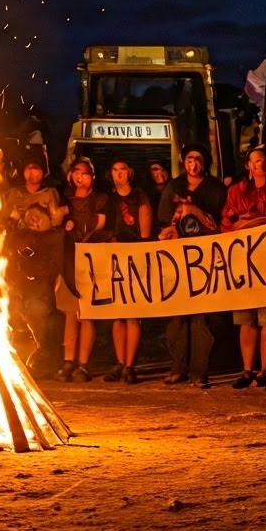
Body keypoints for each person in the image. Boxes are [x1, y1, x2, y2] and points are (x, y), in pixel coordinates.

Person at [221, 146, 266, 390]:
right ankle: (247, 369)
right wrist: (240, 226)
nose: (258, 165)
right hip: (243, 262)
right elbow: (226, 222)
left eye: (262, 161)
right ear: (248, 166)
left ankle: (265, 370)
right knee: (246, 320)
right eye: (253, 161)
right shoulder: (236, 191)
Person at [159, 144, 228, 388]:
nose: (193, 164)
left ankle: (199, 372)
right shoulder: (174, 187)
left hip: (204, 261)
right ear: (184, 162)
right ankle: (178, 367)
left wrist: (194, 209)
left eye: (198, 159)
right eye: (189, 159)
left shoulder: (216, 189)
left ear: (204, 162)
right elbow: (164, 220)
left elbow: (221, 224)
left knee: (200, 319)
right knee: (177, 317)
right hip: (177, 261)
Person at [2, 147, 67, 378]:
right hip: (16, 262)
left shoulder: (50, 194)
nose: (33, 175)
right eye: (29, 169)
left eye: (37, 169)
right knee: (14, 311)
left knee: (40, 310)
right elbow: (3, 224)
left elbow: (56, 226)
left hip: (42, 262)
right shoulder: (13, 195)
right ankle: (15, 358)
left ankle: (45, 359)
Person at [55, 157, 109, 383]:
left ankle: (83, 364)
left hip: (92, 262)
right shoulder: (64, 200)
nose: (80, 176)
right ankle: (68, 361)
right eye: (76, 172)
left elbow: (101, 224)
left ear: (92, 177)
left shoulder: (100, 199)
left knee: (87, 314)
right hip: (67, 261)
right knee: (70, 313)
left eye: (85, 173)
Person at [103, 157, 152, 384]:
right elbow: (105, 227)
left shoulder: (139, 196)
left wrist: (139, 255)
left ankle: (130, 365)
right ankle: (120, 362)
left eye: (123, 169)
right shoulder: (109, 198)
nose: (119, 173)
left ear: (130, 172)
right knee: (117, 315)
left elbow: (145, 231)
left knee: (133, 313)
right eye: (115, 169)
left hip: (135, 257)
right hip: (114, 257)